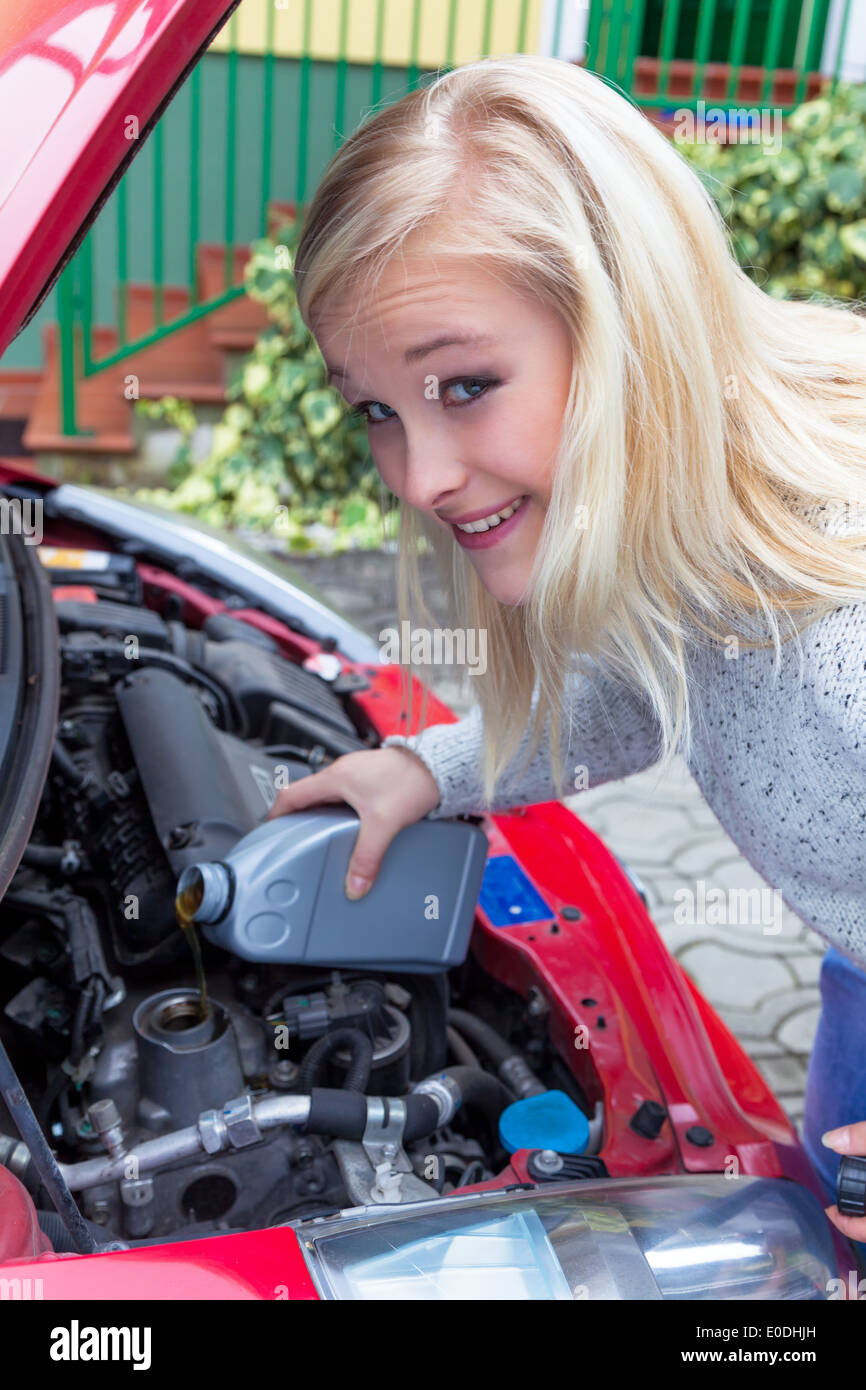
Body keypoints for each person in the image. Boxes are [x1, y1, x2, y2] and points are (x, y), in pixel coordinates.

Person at [266, 54, 866, 1255]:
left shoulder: (836, 625)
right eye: (377, 407)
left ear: (632, 326)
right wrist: (430, 768)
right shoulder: (695, 501)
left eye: (465, 385)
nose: (421, 477)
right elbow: (645, 689)